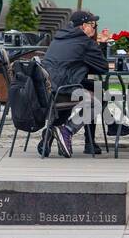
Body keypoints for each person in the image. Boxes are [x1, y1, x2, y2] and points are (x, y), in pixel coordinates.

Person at [40, 9, 110, 157]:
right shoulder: (84, 42)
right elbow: (103, 68)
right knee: (97, 101)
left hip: (47, 89)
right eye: (93, 24)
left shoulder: (58, 38)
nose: (95, 27)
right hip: (65, 89)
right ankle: (67, 130)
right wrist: (102, 44)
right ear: (83, 26)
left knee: (91, 88)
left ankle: (50, 133)